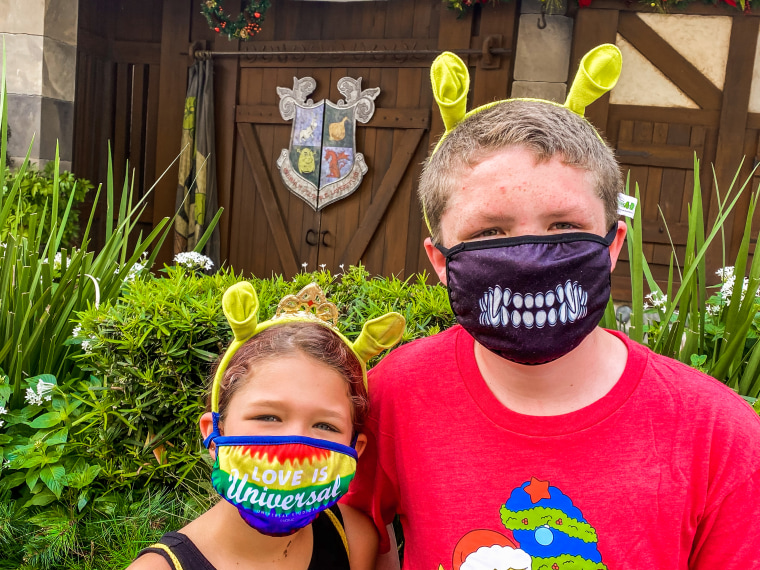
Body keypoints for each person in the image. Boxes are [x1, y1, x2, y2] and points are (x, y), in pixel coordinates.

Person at [342, 44, 760, 570]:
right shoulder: (392, 397)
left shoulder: (721, 436)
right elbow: (353, 535)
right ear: (440, 260)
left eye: (564, 227)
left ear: (611, 246)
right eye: (490, 231)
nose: (529, 259)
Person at [129, 281, 405, 570]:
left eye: (325, 425)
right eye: (268, 417)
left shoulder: (355, 539)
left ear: (355, 448)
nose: (295, 442)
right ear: (213, 434)